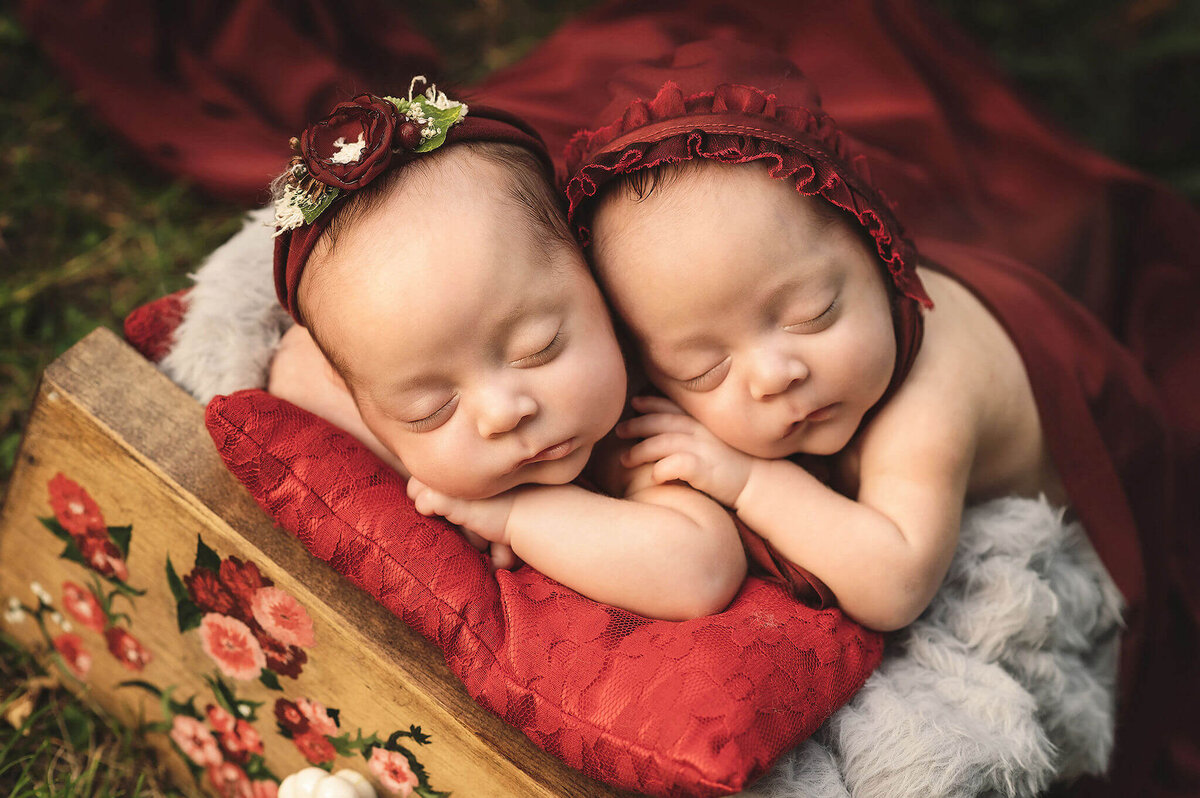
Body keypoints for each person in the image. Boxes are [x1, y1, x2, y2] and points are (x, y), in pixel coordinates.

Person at [563, 40, 1194, 795]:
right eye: (706, 368)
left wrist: (746, 478)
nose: (775, 375)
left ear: (879, 245)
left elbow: (895, 580)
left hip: (1092, 451)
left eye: (813, 312)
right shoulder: (796, 352)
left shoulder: (928, 399)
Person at [266, 83, 746, 622]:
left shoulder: (639, 419)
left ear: (594, 276)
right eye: (431, 410)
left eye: (538, 349)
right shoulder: (371, 383)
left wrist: (515, 513)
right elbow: (295, 369)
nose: (504, 413)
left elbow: (699, 573)